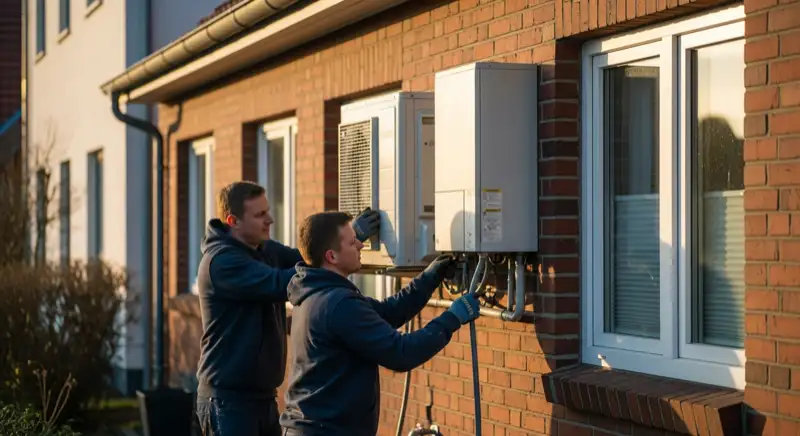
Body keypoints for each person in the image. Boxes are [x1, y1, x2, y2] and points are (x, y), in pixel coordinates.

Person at [194, 181, 381, 436]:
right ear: (233, 221)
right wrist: (342, 248)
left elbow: (309, 258)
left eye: (267, 211)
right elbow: (284, 282)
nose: (270, 219)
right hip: (228, 402)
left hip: (261, 397)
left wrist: (344, 240)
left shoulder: (262, 249)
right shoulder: (222, 262)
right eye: (260, 215)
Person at [279, 211, 481, 436]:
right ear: (332, 257)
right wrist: (452, 318)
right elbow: (401, 352)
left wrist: (429, 278)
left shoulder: (315, 294)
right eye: (352, 241)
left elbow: (387, 313)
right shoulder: (338, 303)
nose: (360, 245)